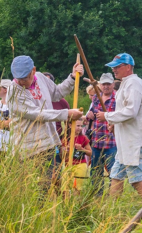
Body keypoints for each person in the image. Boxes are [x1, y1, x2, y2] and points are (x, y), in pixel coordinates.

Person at [6, 55, 84, 187]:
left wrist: (72, 78)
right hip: (28, 148)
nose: (21, 82)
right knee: (32, 188)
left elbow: (57, 93)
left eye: (25, 78)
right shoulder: (13, 91)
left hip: (49, 143)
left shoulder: (41, 78)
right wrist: (67, 114)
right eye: (18, 79)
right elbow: (37, 114)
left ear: (33, 71)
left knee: (51, 185)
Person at [94, 53, 142, 197]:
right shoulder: (126, 83)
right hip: (125, 141)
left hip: (134, 140)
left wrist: (107, 116)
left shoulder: (134, 83)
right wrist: (115, 123)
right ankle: (113, 211)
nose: (114, 70)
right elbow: (125, 111)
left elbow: (131, 111)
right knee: (116, 175)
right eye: (113, 67)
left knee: (136, 178)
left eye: (117, 66)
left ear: (128, 67)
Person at [85, 73, 117, 196]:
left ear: (113, 84)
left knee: (113, 171)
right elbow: (91, 113)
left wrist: (108, 118)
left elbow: (121, 116)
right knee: (95, 171)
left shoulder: (117, 98)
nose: (106, 86)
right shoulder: (96, 98)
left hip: (111, 141)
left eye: (108, 84)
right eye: (104, 84)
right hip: (96, 140)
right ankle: (97, 196)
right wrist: (89, 115)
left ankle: (112, 196)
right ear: (100, 85)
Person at [62, 120, 92, 192]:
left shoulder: (83, 138)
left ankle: (76, 201)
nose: (80, 128)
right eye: (78, 126)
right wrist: (66, 149)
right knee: (65, 186)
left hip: (81, 164)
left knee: (79, 187)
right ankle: (66, 202)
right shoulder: (65, 138)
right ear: (70, 125)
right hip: (68, 164)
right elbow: (62, 154)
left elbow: (90, 153)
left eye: (81, 126)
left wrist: (81, 149)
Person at [43, 72, 71, 137]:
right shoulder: (36, 100)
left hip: (57, 137)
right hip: (40, 138)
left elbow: (68, 121)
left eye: (48, 82)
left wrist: (66, 138)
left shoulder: (62, 102)